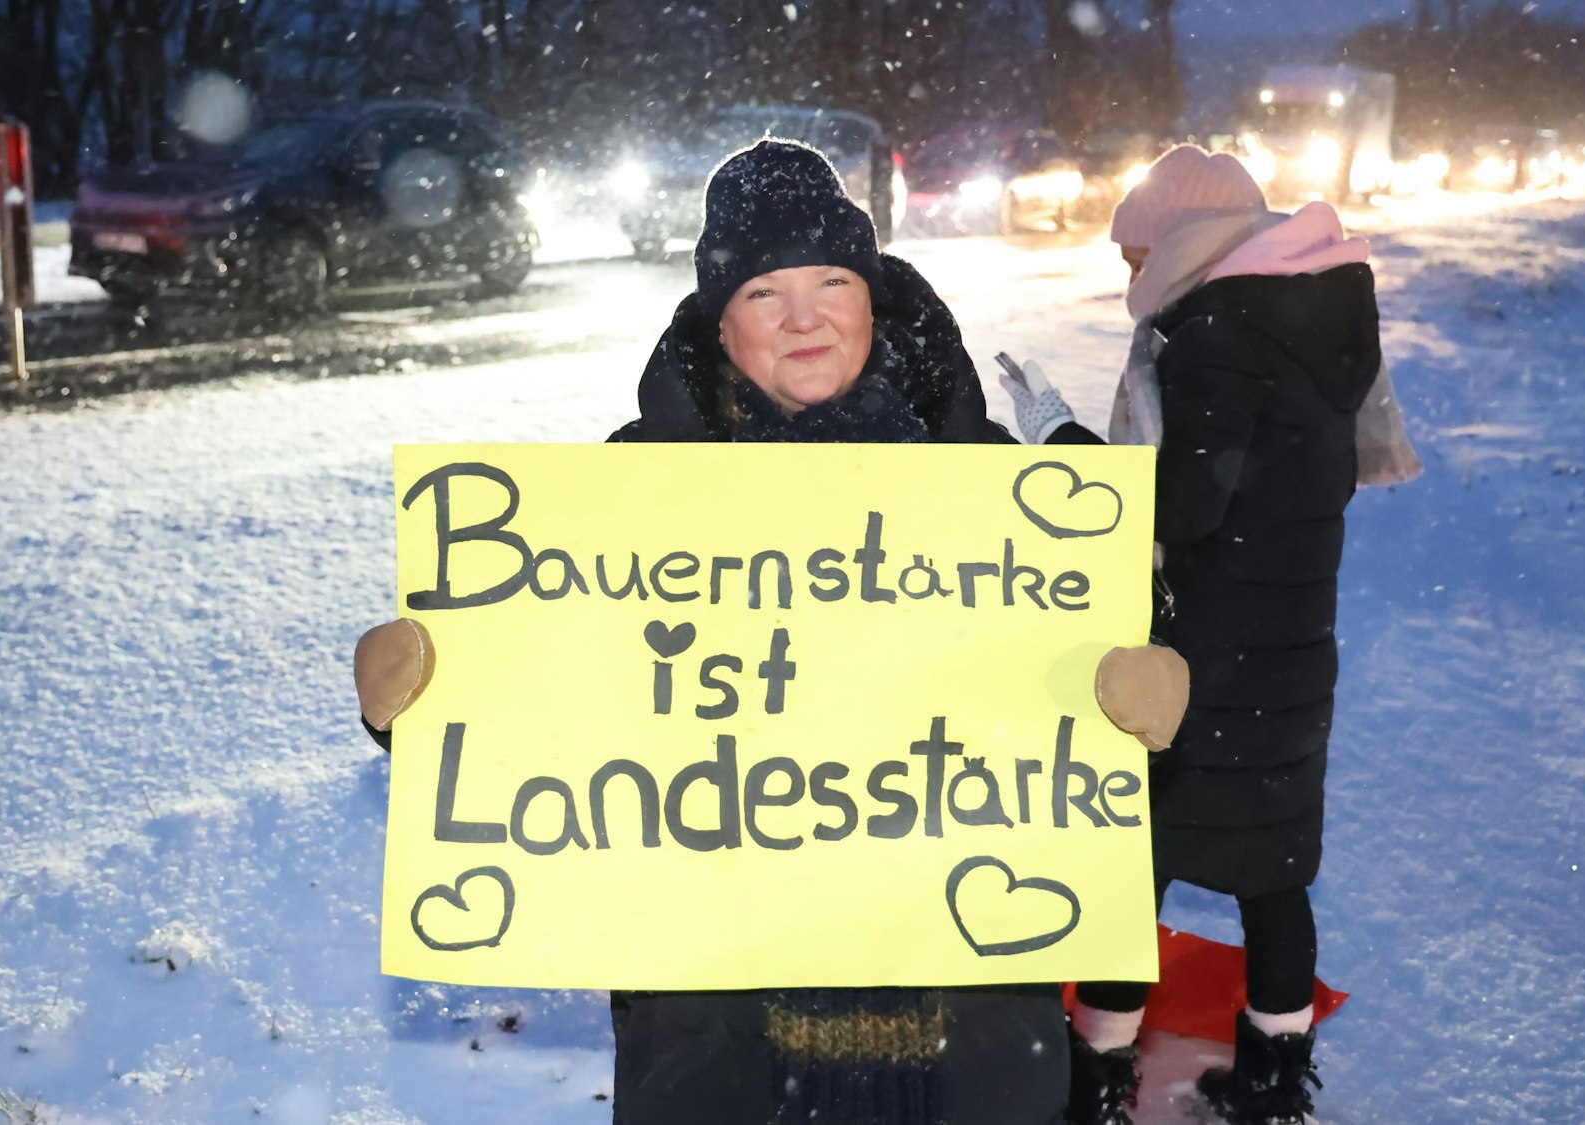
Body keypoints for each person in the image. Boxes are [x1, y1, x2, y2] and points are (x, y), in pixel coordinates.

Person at [353, 139, 1192, 1125]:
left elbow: (1092, 767)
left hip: (967, 1045)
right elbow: (547, 723)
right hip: (721, 1053)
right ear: (720, 321)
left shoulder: (1006, 494)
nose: (804, 317)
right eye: (763, 292)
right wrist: (423, 701)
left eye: (831, 280)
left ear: (872, 297)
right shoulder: (621, 499)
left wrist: (1144, 701)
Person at [998, 145, 1421, 1125]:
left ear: (1184, 242)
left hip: (1205, 657)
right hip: (1293, 644)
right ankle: (1274, 1083)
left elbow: (1181, 508)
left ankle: (1098, 1072)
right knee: (1274, 874)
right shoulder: (1314, 316)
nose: (1127, 276)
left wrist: (1061, 442)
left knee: (1133, 862)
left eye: (1135, 254)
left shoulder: (1220, 334)